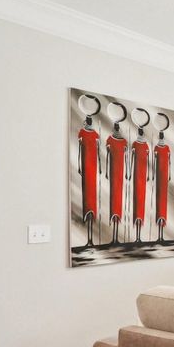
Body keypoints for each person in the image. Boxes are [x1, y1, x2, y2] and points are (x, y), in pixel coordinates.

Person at [76, 95, 101, 247]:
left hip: (92, 169)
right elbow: (80, 152)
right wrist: (80, 166)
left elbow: (98, 154)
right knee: (87, 200)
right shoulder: (83, 133)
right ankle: (89, 238)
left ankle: (91, 239)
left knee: (92, 200)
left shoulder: (95, 135)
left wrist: (100, 167)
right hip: (87, 168)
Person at [105, 102, 129, 244]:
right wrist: (106, 171)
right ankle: (114, 237)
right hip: (114, 173)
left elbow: (126, 159)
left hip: (120, 173)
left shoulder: (124, 142)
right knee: (114, 200)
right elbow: (108, 157)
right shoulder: (110, 140)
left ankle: (116, 236)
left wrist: (127, 172)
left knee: (118, 200)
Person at [130, 108, 151, 243]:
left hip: (142, 177)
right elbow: (132, 160)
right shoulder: (134, 144)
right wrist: (129, 172)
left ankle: (139, 236)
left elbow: (147, 162)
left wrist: (148, 175)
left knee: (141, 203)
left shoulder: (146, 146)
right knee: (137, 202)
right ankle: (137, 236)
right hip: (136, 176)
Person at [153, 113, 172, 242]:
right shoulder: (156, 148)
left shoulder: (167, 149)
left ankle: (161, 235)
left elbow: (169, 163)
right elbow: (155, 163)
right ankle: (159, 235)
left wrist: (169, 175)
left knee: (163, 206)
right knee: (159, 205)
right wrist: (154, 175)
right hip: (160, 178)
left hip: (164, 178)